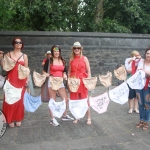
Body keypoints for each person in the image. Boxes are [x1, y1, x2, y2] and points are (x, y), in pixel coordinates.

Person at [43, 45, 74, 126]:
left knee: (65, 99)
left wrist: (64, 75)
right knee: (52, 100)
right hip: (52, 82)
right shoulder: (49, 60)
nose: (56, 53)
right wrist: (48, 75)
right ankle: (52, 119)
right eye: (55, 51)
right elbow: (44, 72)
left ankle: (64, 116)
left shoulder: (62, 60)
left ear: (59, 52)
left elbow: (64, 71)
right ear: (52, 52)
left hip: (60, 82)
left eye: (58, 51)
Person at [2, 37, 28, 127]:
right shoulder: (8, 54)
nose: (18, 44)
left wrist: (27, 80)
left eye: (20, 42)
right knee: (9, 99)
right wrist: (1, 58)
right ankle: (10, 118)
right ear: (13, 44)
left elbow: (26, 69)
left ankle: (18, 117)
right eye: (16, 42)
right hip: (11, 79)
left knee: (20, 99)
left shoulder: (24, 56)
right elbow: (4, 66)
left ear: (22, 44)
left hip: (21, 79)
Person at [68, 41, 92, 125]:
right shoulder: (71, 59)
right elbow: (69, 71)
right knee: (75, 100)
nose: (76, 49)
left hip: (82, 81)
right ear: (73, 50)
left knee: (84, 99)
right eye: (75, 48)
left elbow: (88, 70)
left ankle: (88, 118)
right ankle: (77, 117)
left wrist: (88, 81)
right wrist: (68, 81)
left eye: (78, 48)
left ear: (80, 49)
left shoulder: (84, 58)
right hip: (74, 81)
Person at [135, 47, 150, 130]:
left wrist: (143, 70)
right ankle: (141, 120)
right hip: (139, 85)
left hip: (148, 86)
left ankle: (146, 121)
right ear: (145, 54)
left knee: (147, 104)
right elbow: (138, 71)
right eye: (147, 53)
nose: (149, 55)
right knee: (140, 103)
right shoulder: (141, 61)